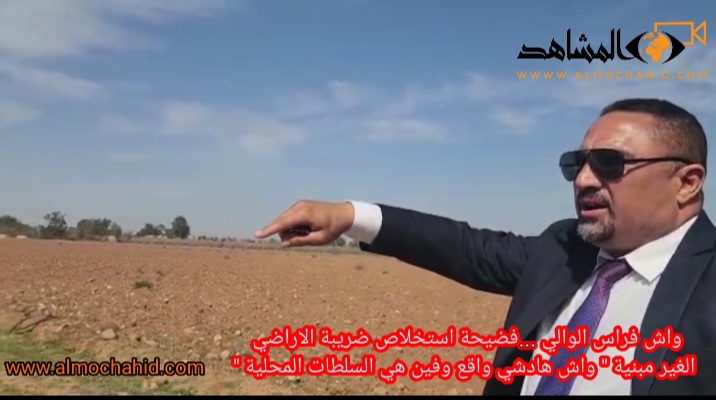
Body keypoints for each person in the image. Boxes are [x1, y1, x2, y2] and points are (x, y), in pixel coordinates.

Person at [255, 98, 715, 395]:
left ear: (687, 182)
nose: (583, 180)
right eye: (577, 164)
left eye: (610, 164)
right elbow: (467, 248)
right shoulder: (562, 250)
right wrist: (350, 216)